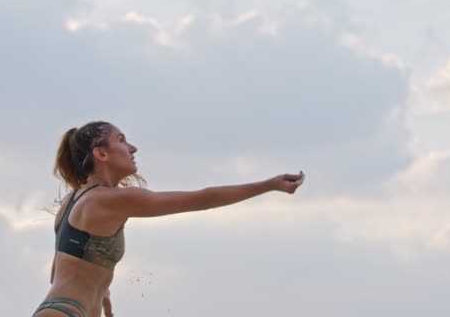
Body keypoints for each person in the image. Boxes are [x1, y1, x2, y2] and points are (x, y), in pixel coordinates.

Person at [33, 121, 305, 317]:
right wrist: (268, 185)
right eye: (122, 140)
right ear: (101, 154)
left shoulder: (73, 202)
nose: (133, 147)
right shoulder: (110, 200)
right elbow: (203, 198)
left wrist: (102, 296)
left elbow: (62, 271)